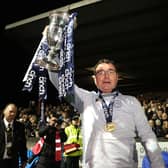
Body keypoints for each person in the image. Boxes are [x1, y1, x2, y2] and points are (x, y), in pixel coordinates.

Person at [48, 58, 165, 168]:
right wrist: (53, 57)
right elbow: (62, 85)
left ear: (117, 77)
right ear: (94, 79)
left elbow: (147, 137)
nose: (106, 76)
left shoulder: (131, 102)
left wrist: (158, 165)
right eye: (100, 72)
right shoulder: (85, 99)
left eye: (110, 71)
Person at [0, 103, 27, 168]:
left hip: (13, 161)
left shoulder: (20, 126)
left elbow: (22, 144)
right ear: (4, 111)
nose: (13, 114)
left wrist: (24, 159)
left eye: (15, 112)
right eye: (11, 111)